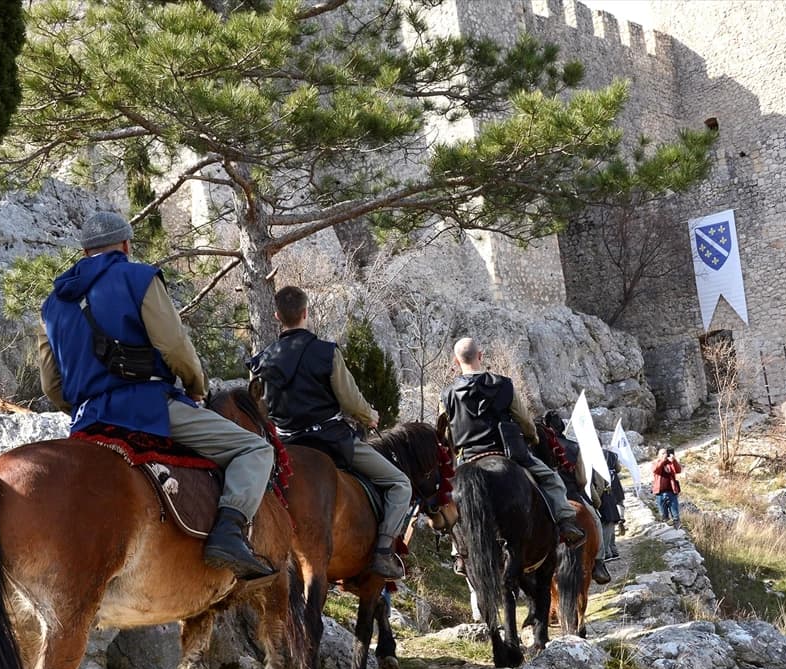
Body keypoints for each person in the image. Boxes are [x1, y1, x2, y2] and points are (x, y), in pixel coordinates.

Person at [38, 210, 275, 579]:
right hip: (146, 408)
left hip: (87, 419)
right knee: (255, 449)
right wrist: (197, 387)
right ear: (126, 245)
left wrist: (86, 405)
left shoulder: (52, 304)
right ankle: (228, 533)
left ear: (85, 252)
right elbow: (174, 346)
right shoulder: (139, 277)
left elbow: (51, 385)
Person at [248, 286, 409, 580]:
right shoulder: (326, 352)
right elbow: (350, 401)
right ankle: (384, 552)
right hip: (331, 442)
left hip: (284, 447)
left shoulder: (262, 360)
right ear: (306, 313)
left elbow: (260, 408)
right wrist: (369, 416)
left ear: (276, 317)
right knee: (400, 483)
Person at [442, 338, 586, 567]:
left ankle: (458, 553)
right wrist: (533, 437)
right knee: (551, 479)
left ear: (455, 361)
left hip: (467, 457)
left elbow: (446, 433)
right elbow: (524, 421)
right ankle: (566, 523)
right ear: (481, 355)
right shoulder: (504, 384)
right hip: (507, 453)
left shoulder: (447, 394)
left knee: (450, 501)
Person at [542, 411, 610, 585]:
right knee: (595, 520)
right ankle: (599, 564)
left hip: (546, 495)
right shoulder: (573, 447)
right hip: (571, 493)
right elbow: (582, 479)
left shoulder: (538, 443)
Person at [652, 447, 682, 529]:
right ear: (658, 456)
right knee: (663, 514)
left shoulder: (670, 463)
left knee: (675, 513)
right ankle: (667, 528)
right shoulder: (656, 463)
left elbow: (678, 470)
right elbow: (655, 470)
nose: (665, 455)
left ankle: (678, 529)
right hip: (660, 493)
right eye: (663, 453)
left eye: (666, 453)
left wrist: (674, 460)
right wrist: (663, 460)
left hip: (671, 491)